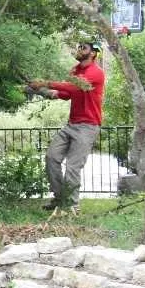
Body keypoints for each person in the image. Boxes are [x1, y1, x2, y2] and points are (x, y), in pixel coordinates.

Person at [28, 41, 105, 214]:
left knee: (72, 167)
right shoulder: (74, 70)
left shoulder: (96, 72)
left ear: (93, 53)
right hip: (71, 124)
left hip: (88, 126)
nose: (79, 50)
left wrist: (45, 83)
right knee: (51, 157)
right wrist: (45, 92)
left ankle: (72, 206)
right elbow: (67, 94)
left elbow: (74, 86)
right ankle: (60, 198)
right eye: (79, 47)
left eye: (84, 47)